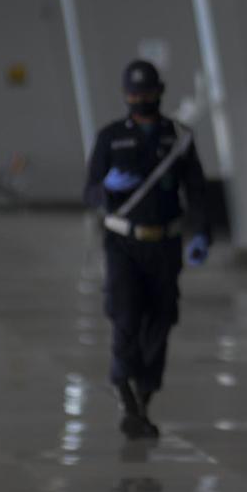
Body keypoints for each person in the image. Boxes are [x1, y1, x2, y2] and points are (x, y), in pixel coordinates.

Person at [83, 60, 211, 440]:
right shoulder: (110, 138)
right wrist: (106, 191)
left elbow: (197, 189)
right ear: (125, 96)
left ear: (160, 92)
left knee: (161, 320)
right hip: (123, 243)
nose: (141, 100)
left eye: (148, 93)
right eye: (134, 94)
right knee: (125, 316)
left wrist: (202, 233)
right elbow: (89, 192)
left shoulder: (179, 137)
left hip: (165, 243)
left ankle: (143, 397)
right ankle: (125, 396)